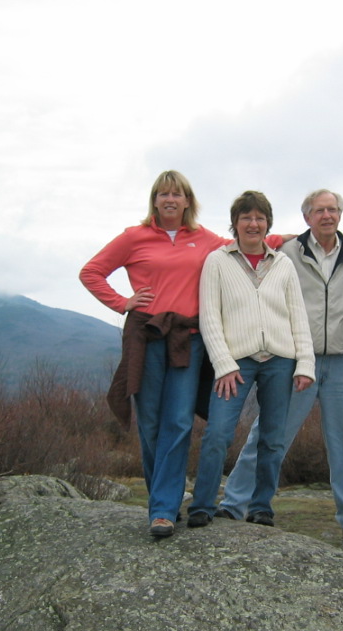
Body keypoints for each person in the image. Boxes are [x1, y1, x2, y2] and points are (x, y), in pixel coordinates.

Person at [79, 171, 285, 539]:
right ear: (154, 200)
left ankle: (162, 510)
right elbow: (91, 272)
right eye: (163, 194)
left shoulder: (204, 239)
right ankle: (164, 499)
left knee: (178, 422)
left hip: (189, 340)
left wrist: (290, 239)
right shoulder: (133, 237)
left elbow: (246, 240)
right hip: (146, 336)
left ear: (188, 200)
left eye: (177, 194)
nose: (170, 200)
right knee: (151, 424)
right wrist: (123, 302)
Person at [216, 189, 343, 549]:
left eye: (333, 210)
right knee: (269, 435)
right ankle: (234, 505)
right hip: (295, 362)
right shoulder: (288, 253)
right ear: (306, 217)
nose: (327, 216)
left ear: (340, 214)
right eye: (319, 210)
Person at [187, 190, 315, 528]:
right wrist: (223, 363)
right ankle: (201, 504)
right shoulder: (218, 261)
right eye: (246, 217)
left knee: (273, 439)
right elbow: (209, 317)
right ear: (235, 224)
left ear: (267, 224)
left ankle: (261, 507)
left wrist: (305, 364)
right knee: (218, 434)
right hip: (236, 364)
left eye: (259, 218)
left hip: (280, 360)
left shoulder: (283, 265)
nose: (253, 223)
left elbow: (297, 316)